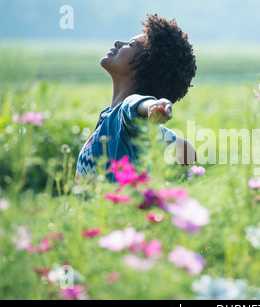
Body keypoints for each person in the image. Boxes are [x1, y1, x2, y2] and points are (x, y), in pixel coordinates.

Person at [75, 14, 197, 183]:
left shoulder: (126, 114)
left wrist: (153, 105)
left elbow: (134, 105)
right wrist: (181, 143)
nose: (118, 43)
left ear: (143, 64)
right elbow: (160, 134)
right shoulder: (114, 120)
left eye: (130, 45)